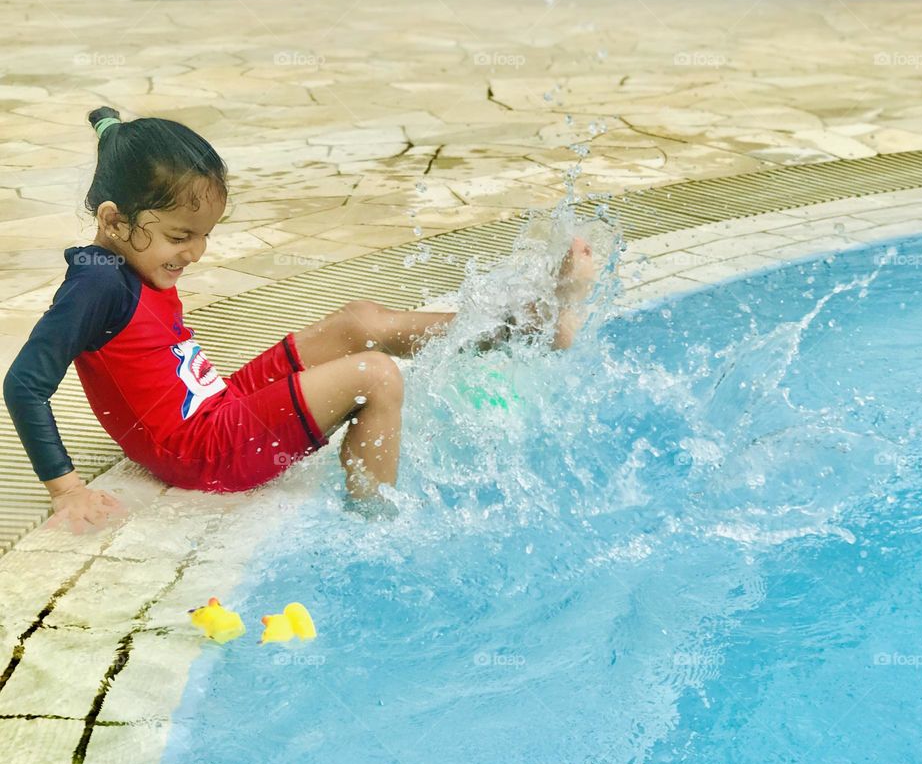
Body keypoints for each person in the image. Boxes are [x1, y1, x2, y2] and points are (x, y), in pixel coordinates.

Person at [2, 107, 596, 533]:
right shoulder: (96, 285)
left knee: (357, 321)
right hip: (205, 452)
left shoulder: (126, 263)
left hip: (218, 410)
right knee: (376, 374)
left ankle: (531, 326)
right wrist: (68, 488)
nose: (194, 253)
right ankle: (379, 532)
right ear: (112, 220)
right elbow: (23, 383)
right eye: (180, 236)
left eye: (204, 236)